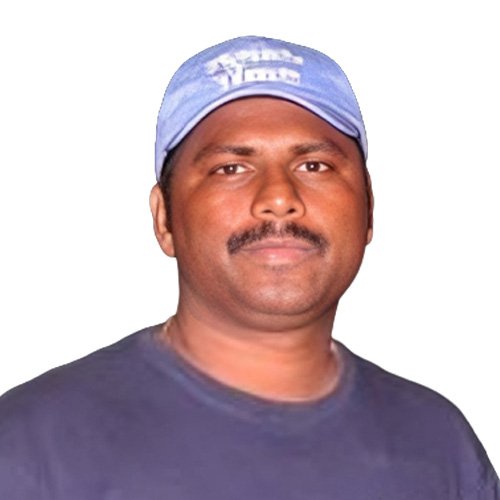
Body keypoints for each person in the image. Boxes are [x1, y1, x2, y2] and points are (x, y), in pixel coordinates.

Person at [0, 35, 497, 499]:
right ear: (164, 219)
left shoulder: (439, 446)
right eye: (231, 168)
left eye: (315, 166)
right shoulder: (31, 447)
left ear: (369, 210)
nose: (278, 197)